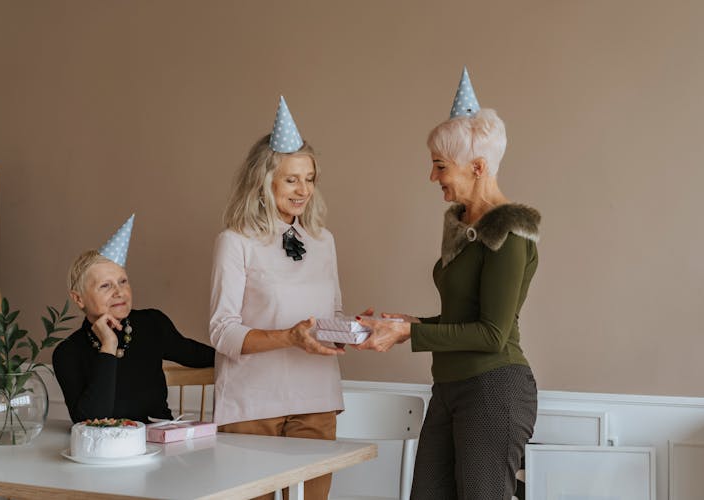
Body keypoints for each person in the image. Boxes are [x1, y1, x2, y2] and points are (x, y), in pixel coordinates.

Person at [357, 67, 540, 500]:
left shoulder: (508, 233)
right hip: (452, 388)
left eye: (440, 166)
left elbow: (492, 334)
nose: (433, 176)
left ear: (477, 167)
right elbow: (464, 319)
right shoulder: (465, 228)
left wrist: (411, 332)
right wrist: (407, 323)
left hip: (494, 389)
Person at [210, 96, 344, 500]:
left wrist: (350, 330)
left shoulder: (323, 241)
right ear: (264, 181)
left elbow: (331, 313)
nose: (303, 190)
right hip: (252, 406)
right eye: (291, 179)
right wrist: (289, 338)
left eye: (310, 178)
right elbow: (222, 331)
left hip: (317, 400)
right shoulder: (235, 242)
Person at [53, 214, 216, 423]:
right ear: (79, 298)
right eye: (105, 285)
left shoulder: (152, 324)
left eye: (123, 281)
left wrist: (247, 356)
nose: (119, 292)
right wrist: (108, 346)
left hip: (159, 444)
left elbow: (198, 355)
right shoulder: (68, 353)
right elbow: (91, 422)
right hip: (107, 451)